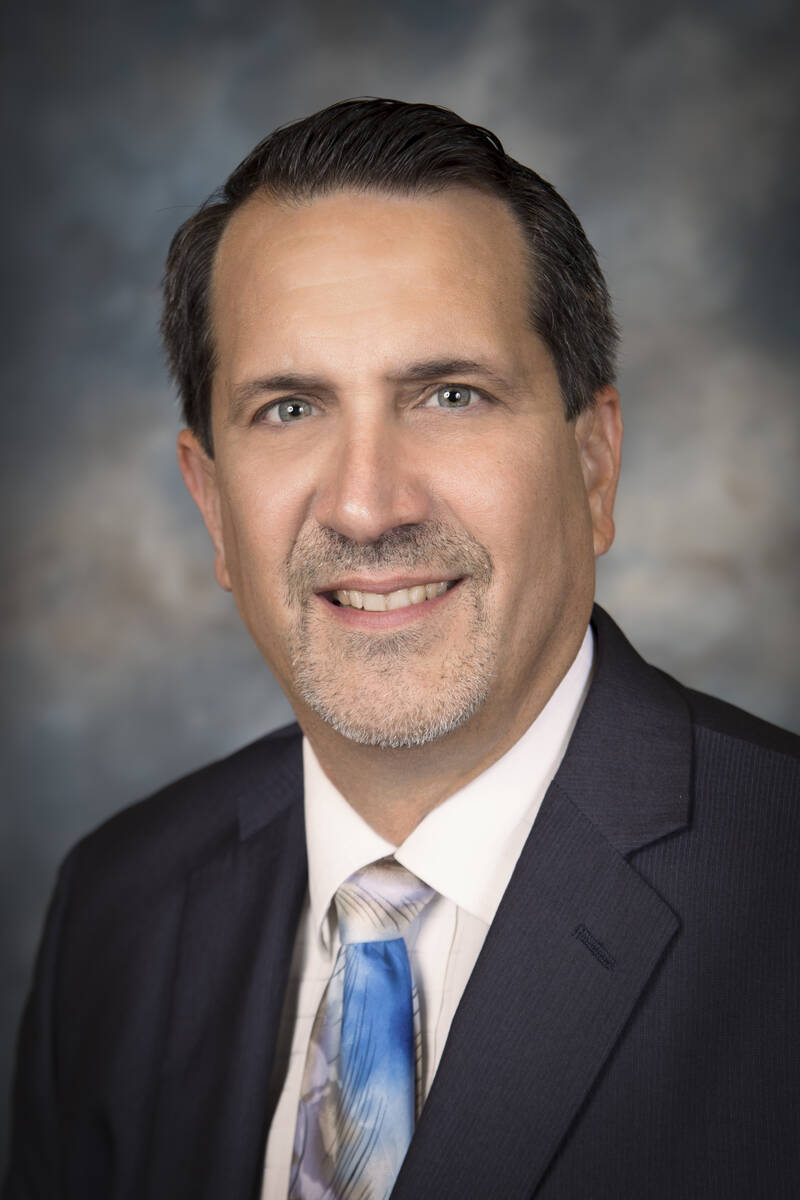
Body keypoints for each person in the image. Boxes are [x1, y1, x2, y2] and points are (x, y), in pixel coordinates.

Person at [4, 98, 799, 1200]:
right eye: (290, 409)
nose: (367, 505)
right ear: (211, 502)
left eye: (450, 396)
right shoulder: (117, 909)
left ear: (593, 464)